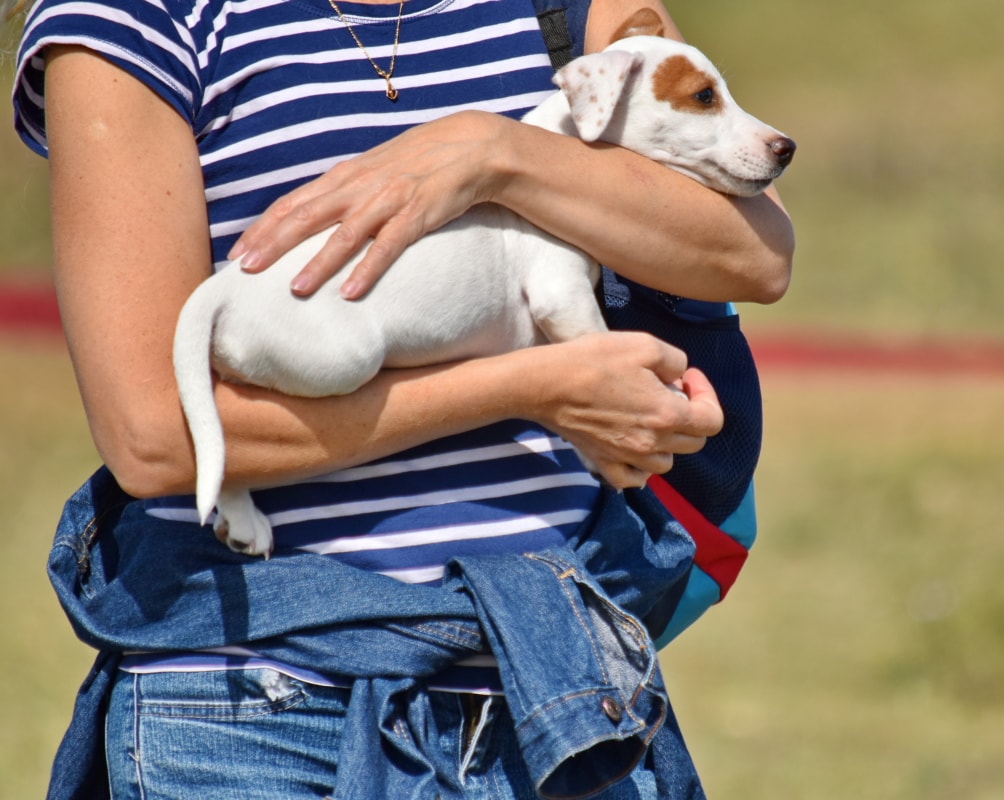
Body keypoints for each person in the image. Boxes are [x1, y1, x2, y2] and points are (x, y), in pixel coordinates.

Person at [9, 0, 794, 797]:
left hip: (553, 686)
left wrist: (493, 151)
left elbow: (755, 254)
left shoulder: (560, 9)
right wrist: (532, 387)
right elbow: (154, 436)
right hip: (259, 709)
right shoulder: (136, 16)